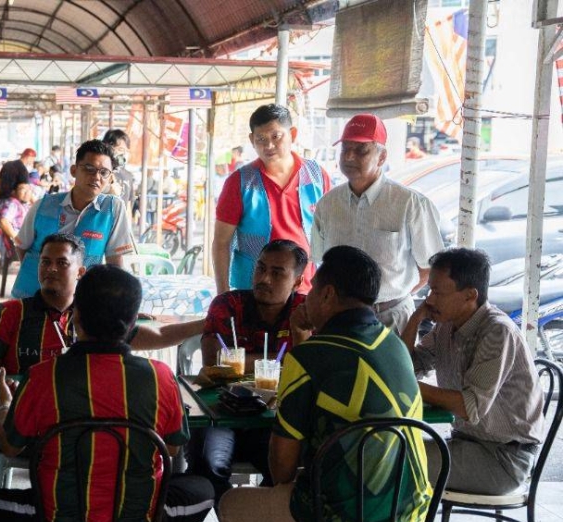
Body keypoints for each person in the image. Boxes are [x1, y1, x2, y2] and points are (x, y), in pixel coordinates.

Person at [0, 265, 214, 522]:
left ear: (75, 317)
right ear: (133, 323)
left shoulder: (43, 377)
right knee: (204, 488)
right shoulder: (160, 379)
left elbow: (10, 447)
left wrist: (5, 408)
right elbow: (171, 451)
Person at [220, 245, 431, 522]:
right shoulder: (394, 346)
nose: (309, 295)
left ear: (329, 295)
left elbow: (280, 470)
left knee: (234, 508)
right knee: (319, 490)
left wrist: (302, 345)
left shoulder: (312, 358)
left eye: (314, 287)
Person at [401, 248, 544, 495]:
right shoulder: (447, 327)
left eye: (437, 292)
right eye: (429, 291)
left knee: (391, 460)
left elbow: (469, 407)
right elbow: (407, 366)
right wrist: (415, 318)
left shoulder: (496, 333)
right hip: (467, 444)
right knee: (387, 450)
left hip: (503, 458)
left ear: (469, 295)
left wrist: (407, 385)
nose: (430, 300)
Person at [0, 232, 204, 377]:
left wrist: (206, 323)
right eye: (45, 262)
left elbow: (160, 335)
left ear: (80, 272)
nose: (51, 269)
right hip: (28, 415)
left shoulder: (95, 312)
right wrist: (6, 388)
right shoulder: (11, 312)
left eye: (62, 263)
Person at [191, 240, 311, 496]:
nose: (264, 278)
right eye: (261, 268)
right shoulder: (228, 304)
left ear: (298, 282)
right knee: (206, 465)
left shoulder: (306, 311)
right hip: (222, 416)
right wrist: (278, 360)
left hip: (275, 422)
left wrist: (242, 361)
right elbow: (214, 364)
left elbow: (314, 367)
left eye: (277, 273)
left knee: (289, 472)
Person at [311, 114, 444, 332]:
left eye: (361, 150)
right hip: (339, 319)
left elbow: (431, 267)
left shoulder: (410, 204)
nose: (350, 157)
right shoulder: (328, 204)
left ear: (381, 157)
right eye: (346, 149)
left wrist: (394, 296)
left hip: (392, 319)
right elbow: (319, 262)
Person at [213, 104, 330, 294]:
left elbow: (329, 235)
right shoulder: (240, 183)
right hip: (254, 289)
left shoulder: (317, 176)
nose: (268, 146)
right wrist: (223, 295)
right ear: (252, 140)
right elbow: (221, 242)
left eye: (276, 137)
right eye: (261, 139)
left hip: (304, 289)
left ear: (292, 133)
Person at [11, 139, 134, 298]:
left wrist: (122, 305)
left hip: (80, 302)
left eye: (104, 172)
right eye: (89, 169)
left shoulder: (112, 209)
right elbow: (21, 246)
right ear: (74, 170)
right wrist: (41, 272)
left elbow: (115, 264)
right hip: (32, 296)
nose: (96, 177)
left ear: (110, 178)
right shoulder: (43, 206)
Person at [103, 128, 136, 208]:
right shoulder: (99, 173)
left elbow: (128, 207)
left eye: (126, 151)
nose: (124, 154)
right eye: (121, 149)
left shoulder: (128, 176)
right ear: (107, 147)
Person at [0, 181, 33, 252]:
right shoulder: (13, 204)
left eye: (29, 189)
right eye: (22, 189)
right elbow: (3, 221)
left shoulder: (25, 205)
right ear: (14, 192)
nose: (27, 192)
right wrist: (16, 239)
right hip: (15, 246)